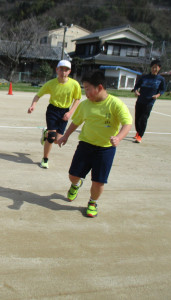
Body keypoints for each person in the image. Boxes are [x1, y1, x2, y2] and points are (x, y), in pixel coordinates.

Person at [58, 71, 132, 218]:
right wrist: (65, 136)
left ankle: (92, 203)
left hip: (105, 149)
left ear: (99, 87)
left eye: (87, 88)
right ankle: (76, 185)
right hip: (86, 145)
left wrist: (118, 138)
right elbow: (76, 122)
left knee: (98, 182)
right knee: (73, 175)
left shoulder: (115, 104)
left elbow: (127, 123)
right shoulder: (85, 105)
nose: (86, 93)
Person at [27, 60, 81, 169]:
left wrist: (70, 112)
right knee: (51, 137)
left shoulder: (74, 84)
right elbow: (38, 95)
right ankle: (45, 159)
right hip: (52, 110)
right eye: (61, 69)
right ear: (57, 70)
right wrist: (33, 105)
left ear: (69, 71)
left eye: (66, 70)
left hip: (65, 111)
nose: (63, 72)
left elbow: (77, 99)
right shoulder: (51, 83)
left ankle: (46, 133)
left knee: (58, 140)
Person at [132, 59, 166, 143]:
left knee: (144, 118)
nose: (154, 69)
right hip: (140, 100)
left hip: (149, 102)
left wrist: (157, 95)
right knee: (137, 118)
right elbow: (136, 86)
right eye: (153, 67)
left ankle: (140, 136)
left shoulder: (161, 79)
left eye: (156, 68)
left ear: (159, 68)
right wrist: (136, 91)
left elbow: (163, 90)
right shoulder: (144, 77)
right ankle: (138, 132)